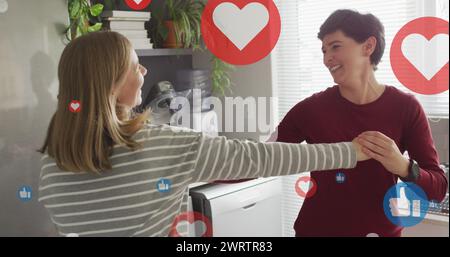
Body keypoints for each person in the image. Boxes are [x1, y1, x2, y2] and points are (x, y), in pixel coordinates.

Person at [38, 31, 369, 237]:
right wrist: (351, 151)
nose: (143, 71)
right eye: (134, 65)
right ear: (110, 83)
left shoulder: (52, 165)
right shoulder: (159, 145)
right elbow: (260, 158)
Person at [275, 9, 448, 237]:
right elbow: (259, 157)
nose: (327, 58)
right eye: (324, 50)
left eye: (335, 46)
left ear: (368, 46)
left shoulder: (406, 108)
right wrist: (212, 160)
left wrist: (403, 167)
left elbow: (437, 188)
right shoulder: (310, 110)